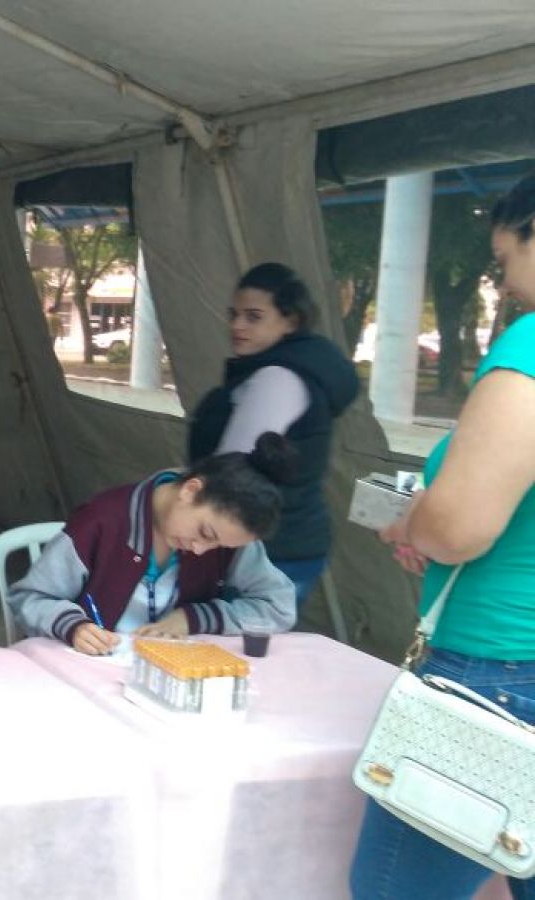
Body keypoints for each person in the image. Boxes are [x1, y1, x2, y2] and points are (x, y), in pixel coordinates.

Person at [349, 173, 535, 900]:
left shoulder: (531, 347)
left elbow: (457, 526)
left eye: (508, 258)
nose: (508, 286)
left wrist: (415, 522)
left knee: (395, 890)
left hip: (500, 673)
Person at [10, 433, 298, 654]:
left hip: (171, 674)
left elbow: (279, 606)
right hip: (92, 667)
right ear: (190, 490)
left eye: (220, 546)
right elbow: (29, 598)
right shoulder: (101, 523)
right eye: (205, 533)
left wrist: (194, 618)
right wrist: (73, 627)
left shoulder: (227, 536)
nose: (201, 550)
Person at [187, 262, 359, 604]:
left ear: (290, 321)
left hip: (267, 550)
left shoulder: (278, 378)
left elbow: (232, 470)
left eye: (253, 317)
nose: (237, 325)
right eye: (234, 315)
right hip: (284, 543)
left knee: (235, 636)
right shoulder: (290, 368)